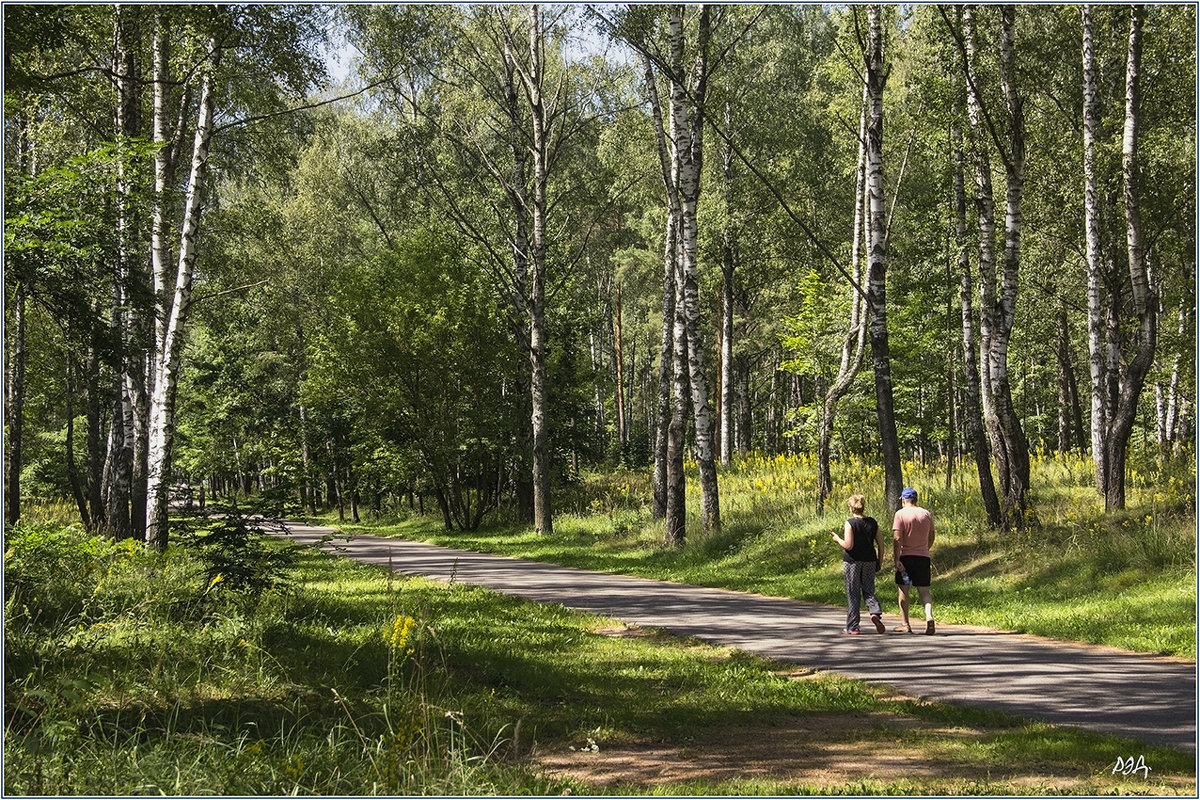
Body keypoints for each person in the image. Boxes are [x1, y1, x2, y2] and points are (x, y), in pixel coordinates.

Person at [830, 494, 887, 634]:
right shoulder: (873, 523)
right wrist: (879, 561)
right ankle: (874, 611)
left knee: (853, 592)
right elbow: (881, 544)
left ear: (851, 508)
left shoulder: (850, 523)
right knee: (868, 589)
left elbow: (849, 545)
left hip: (852, 562)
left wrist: (838, 539)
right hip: (869, 560)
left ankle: (853, 626)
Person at [892, 487, 935, 634]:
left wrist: (896, 559)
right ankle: (929, 616)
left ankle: (905, 624)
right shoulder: (926, 514)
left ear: (904, 500)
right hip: (923, 557)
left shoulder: (900, 514)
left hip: (906, 558)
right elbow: (932, 535)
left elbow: (897, 538)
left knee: (904, 590)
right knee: (924, 590)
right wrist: (925, 549)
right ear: (916, 499)